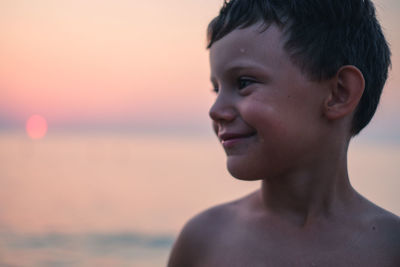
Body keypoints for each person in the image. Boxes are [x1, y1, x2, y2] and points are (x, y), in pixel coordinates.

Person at [168, 0, 400, 266]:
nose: (216, 109)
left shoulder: (390, 248)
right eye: (216, 89)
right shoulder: (202, 240)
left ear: (339, 93)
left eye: (243, 82)